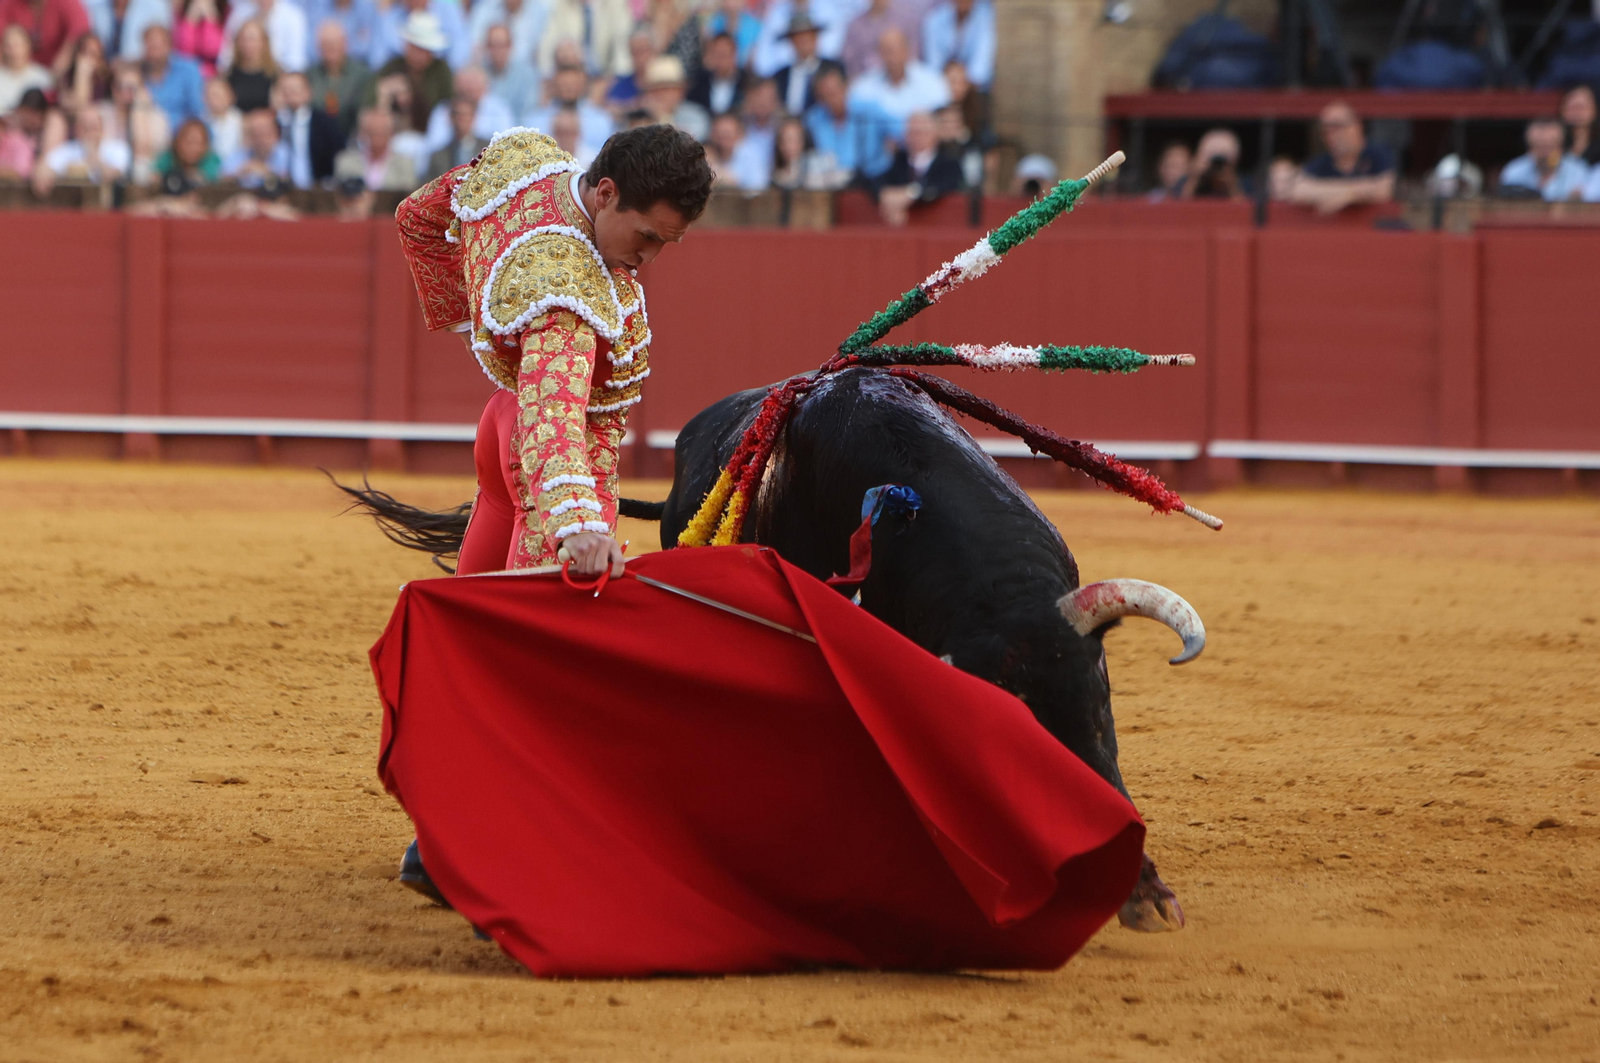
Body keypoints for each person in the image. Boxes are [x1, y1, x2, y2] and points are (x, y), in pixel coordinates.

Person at [388, 122, 713, 906]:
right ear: (604, 193)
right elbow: (557, 423)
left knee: (469, 643)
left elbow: (417, 217)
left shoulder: (528, 163)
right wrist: (578, 521)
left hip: (496, 433)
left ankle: (433, 839)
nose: (648, 259)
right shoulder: (569, 292)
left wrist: (472, 320)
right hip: (544, 464)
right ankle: (513, 856)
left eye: (665, 243)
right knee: (541, 669)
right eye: (643, 235)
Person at [1285, 101, 1395, 213]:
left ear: (1356, 126)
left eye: (1337, 127)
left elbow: (1385, 190)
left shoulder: (1378, 153)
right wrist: (1354, 191)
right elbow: (1298, 191)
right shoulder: (1322, 162)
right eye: (1326, 131)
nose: (1331, 136)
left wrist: (1348, 195)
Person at [368, 10, 452, 136]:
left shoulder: (441, 71)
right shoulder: (392, 67)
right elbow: (369, 102)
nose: (420, 55)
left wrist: (411, 97)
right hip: (393, 136)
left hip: (431, 135)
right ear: (406, 46)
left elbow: (446, 107)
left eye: (425, 50)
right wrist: (385, 95)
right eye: (416, 48)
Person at [805, 64, 893, 182]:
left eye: (833, 93)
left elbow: (902, 132)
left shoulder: (870, 110)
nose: (830, 100)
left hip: (872, 181)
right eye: (823, 96)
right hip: (831, 186)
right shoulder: (813, 119)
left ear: (846, 87)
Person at [875, 108, 962, 224]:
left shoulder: (949, 162)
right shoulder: (900, 160)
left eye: (921, 133)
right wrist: (886, 196)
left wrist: (910, 194)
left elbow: (943, 187)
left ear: (934, 134)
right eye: (911, 133)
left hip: (937, 224)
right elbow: (875, 179)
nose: (916, 138)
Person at [848, 28, 949, 125]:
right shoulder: (864, 86)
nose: (891, 56)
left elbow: (941, 120)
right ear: (879, 54)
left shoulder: (931, 82)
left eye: (895, 50)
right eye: (886, 51)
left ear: (907, 50)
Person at [33, 104, 130, 194]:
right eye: (85, 127)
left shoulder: (118, 149)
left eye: (93, 127)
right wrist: (43, 174)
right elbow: (47, 167)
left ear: (102, 128)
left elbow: (112, 176)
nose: (89, 132)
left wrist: (92, 154)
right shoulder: (68, 150)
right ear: (77, 129)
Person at [422, 64, 510, 155]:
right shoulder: (443, 110)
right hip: (450, 160)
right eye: (465, 86)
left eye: (474, 86)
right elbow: (434, 145)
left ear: (485, 87)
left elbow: (505, 143)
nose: (469, 89)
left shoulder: (499, 109)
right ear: (456, 87)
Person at [276, 69, 344, 186]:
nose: (290, 94)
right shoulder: (276, 121)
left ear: (307, 92)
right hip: (283, 187)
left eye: (295, 89)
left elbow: (336, 154)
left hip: (317, 187)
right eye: (286, 90)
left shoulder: (325, 123)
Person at [307, 19, 372, 137]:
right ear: (318, 47)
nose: (330, 48)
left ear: (345, 43)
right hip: (317, 138)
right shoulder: (309, 75)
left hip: (351, 136)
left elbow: (365, 111)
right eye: (325, 44)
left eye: (334, 43)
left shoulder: (362, 75)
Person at [537, 0, 633, 79]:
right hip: (574, 77)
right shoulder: (562, 5)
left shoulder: (616, 4)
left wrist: (612, 80)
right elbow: (547, 48)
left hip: (607, 75)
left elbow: (622, 47)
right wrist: (549, 78)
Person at [772, 9, 842, 116]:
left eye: (807, 37)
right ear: (791, 42)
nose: (803, 42)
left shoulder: (833, 68)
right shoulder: (780, 76)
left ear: (816, 38)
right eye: (798, 38)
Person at [1501, 116, 1587, 201]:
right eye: (1538, 145)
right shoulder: (1514, 171)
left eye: (1550, 146)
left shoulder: (1578, 172)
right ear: (1529, 147)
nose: (1545, 153)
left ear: (1561, 147)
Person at [333, 102, 416, 189]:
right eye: (372, 132)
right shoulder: (345, 162)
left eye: (382, 132)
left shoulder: (405, 164)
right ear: (363, 132)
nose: (377, 138)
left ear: (391, 134)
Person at [370, 0, 468, 72]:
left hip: (438, 70)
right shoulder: (390, 14)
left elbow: (460, 47)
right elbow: (378, 58)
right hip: (401, 72)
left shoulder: (447, 7)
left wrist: (448, 72)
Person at [0, 0, 90, 79]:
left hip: (58, 72)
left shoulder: (65, 2)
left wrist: (65, 57)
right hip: (20, 71)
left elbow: (81, 28)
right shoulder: (9, 3)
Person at [141, 23, 206, 128]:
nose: (154, 54)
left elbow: (197, 110)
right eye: (150, 47)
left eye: (157, 47)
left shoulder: (188, 70)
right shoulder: (138, 73)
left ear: (169, 46)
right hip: (148, 133)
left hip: (182, 133)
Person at [219, 0, 309, 74]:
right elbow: (226, 54)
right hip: (242, 73)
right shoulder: (239, 14)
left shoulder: (293, 15)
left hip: (279, 76)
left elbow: (295, 60)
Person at [921, 0, 992, 92]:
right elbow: (933, 67)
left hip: (974, 92)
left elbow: (980, 70)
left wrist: (961, 85)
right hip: (941, 89)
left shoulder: (986, 17)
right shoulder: (934, 20)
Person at [841, 0, 921, 79]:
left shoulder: (905, 19)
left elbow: (914, 54)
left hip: (902, 79)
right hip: (865, 80)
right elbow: (849, 62)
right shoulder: (855, 26)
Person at [640, 54, 708, 142]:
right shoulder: (640, 116)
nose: (662, 94)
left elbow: (686, 144)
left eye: (667, 89)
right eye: (656, 90)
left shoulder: (696, 116)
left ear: (680, 91)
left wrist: (663, 117)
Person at [770, 111, 845, 190]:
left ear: (803, 141)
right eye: (784, 140)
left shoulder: (819, 172)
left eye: (794, 139)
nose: (789, 146)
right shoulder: (775, 178)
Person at [222, 106, 291, 189]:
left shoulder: (287, 154)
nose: (260, 139)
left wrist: (266, 172)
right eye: (254, 134)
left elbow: (296, 182)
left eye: (264, 133)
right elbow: (223, 179)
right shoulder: (241, 153)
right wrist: (240, 172)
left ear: (276, 133)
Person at [466, 0, 546, 70]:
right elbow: (474, 48)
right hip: (490, 72)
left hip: (527, 74)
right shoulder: (485, 9)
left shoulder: (539, 11)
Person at [687, 31, 749, 119]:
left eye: (724, 55)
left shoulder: (746, 82)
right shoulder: (700, 81)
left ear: (734, 55)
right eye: (717, 55)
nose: (720, 60)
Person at [83, 0, 166, 61]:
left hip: (141, 71)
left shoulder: (155, 8)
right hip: (103, 71)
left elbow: (160, 48)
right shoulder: (95, 9)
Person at [1181, 126, 1248, 200]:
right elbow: (1178, 206)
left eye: (1222, 162)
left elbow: (1245, 208)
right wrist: (1194, 179)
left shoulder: (1244, 183)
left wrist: (1232, 185)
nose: (1216, 166)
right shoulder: (1188, 181)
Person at [706, 110, 768, 190]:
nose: (723, 140)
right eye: (719, 134)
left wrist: (729, 180)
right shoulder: (706, 155)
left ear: (738, 134)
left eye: (727, 134)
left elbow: (758, 186)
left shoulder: (751, 155)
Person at [225, 19, 278, 112]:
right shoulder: (228, 75)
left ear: (264, 42)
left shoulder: (276, 75)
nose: (248, 44)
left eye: (252, 39)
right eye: (243, 39)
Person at [304, 0, 378, 66]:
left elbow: (370, 49)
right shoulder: (318, 7)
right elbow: (312, 49)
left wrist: (335, 47)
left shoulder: (367, 8)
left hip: (360, 67)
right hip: (322, 67)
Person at [154, 113, 219, 188]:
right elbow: (155, 176)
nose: (192, 148)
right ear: (177, 142)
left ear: (206, 146)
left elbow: (209, 180)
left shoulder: (211, 161)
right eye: (188, 142)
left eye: (198, 143)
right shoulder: (168, 157)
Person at [425, 93, 481, 177]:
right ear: (450, 118)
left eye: (465, 114)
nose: (461, 119)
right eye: (457, 114)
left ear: (473, 117)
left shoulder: (487, 150)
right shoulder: (438, 157)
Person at [0, 24, 51, 113]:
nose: (14, 50)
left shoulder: (42, 77)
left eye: (17, 45)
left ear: (28, 45)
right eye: (9, 46)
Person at [0, 86, 48, 176]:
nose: (31, 118)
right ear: (19, 110)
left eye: (36, 113)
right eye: (28, 112)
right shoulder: (9, 133)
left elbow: (19, 173)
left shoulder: (43, 139)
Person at [171, 0, 226, 77]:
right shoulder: (180, 15)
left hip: (211, 74)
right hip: (186, 73)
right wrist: (190, 20)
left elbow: (212, 49)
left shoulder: (223, 13)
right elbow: (185, 51)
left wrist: (210, 19)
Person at [604, 28, 654, 111]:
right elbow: (611, 108)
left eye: (643, 50)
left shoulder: (665, 81)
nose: (640, 57)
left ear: (654, 51)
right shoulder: (621, 86)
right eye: (634, 52)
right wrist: (636, 105)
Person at [1560, 84, 1600, 166]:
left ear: (1595, 110)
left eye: (1582, 107)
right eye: (1572, 107)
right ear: (1562, 111)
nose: (1577, 113)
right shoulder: (1556, 144)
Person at [202, 74, 241, 158]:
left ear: (230, 96)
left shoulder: (242, 122)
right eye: (208, 95)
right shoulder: (200, 122)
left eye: (216, 95)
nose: (212, 99)